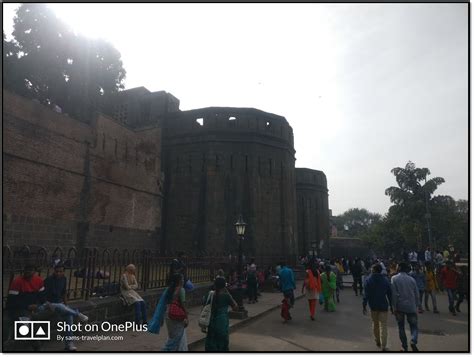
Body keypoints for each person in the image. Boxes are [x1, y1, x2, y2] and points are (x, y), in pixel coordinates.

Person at [40, 264, 89, 351]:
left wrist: (66, 305)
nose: (58, 273)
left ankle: (69, 343)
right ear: (54, 271)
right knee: (61, 306)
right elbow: (43, 296)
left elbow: (63, 293)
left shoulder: (64, 279)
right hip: (47, 304)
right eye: (57, 271)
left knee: (68, 316)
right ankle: (78, 314)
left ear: (63, 272)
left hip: (60, 304)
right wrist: (48, 304)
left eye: (61, 271)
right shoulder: (48, 280)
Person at [363, 264, 392, 351]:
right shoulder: (385, 280)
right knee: (383, 325)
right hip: (383, 305)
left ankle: (377, 340)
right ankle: (384, 345)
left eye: (372, 269)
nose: (371, 270)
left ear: (374, 270)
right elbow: (389, 294)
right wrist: (392, 305)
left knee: (375, 324)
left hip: (373, 306)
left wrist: (364, 305)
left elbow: (366, 295)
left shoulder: (368, 280)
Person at [391, 262, 420, 352]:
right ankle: (413, 340)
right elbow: (417, 294)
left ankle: (404, 346)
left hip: (400, 306)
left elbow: (394, 295)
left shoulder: (394, 278)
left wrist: (394, 307)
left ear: (398, 268)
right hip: (411, 306)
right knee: (414, 326)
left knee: (401, 326)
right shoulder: (412, 280)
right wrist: (418, 305)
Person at [205, 277, 238, 351]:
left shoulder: (209, 295)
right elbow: (235, 307)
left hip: (211, 323)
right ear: (224, 286)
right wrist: (228, 292)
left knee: (211, 343)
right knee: (222, 344)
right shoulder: (226, 296)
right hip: (222, 324)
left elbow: (204, 306)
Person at [160, 273, 189, 351]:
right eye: (182, 279)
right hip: (176, 315)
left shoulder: (169, 289)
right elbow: (183, 304)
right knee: (178, 337)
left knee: (172, 336)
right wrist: (186, 316)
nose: (183, 280)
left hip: (168, 314)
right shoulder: (181, 290)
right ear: (179, 281)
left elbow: (164, 303)